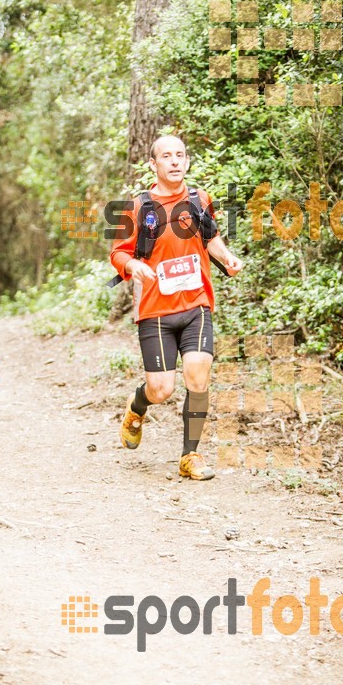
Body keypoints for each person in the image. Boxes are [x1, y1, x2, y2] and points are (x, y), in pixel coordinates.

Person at [110, 135, 243, 480]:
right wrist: (132, 266)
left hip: (196, 305)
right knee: (161, 389)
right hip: (155, 312)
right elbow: (118, 251)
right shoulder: (138, 206)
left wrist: (227, 258)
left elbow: (210, 237)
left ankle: (190, 455)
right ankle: (136, 408)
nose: (174, 161)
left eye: (179, 155)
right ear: (153, 165)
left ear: (186, 161)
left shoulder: (200, 200)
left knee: (198, 377)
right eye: (166, 156)